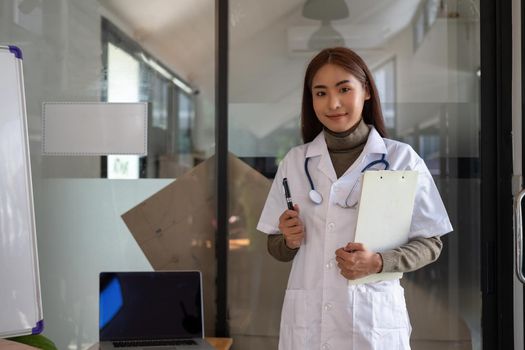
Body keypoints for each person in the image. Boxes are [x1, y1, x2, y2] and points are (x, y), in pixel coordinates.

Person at [256, 47, 453, 350]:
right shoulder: (295, 162)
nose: (333, 103)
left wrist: (377, 262)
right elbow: (276, 246)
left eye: (344, 89)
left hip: (372, 321)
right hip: (308, 322)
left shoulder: (401, 159)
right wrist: (289, 239)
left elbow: (431, 243)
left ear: (367, 92)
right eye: (320, 93)